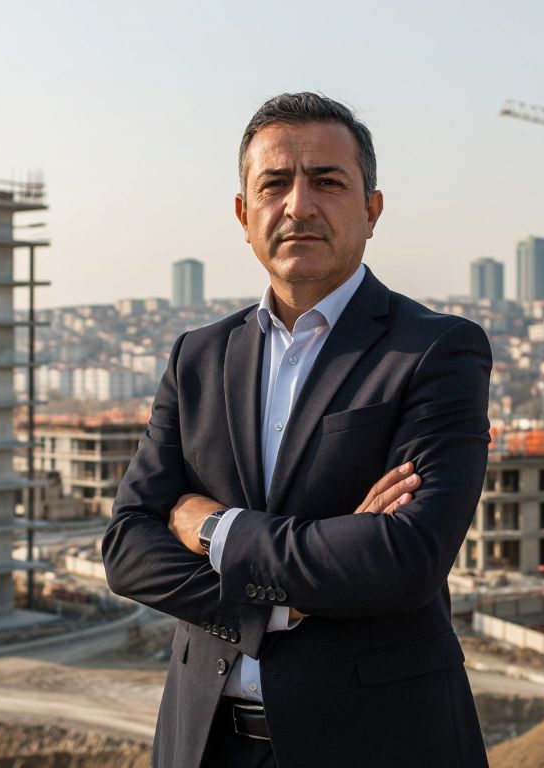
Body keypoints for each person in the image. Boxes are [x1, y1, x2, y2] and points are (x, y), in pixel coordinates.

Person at [102, 92, 492, 768]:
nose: (298, 205)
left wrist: (215, 528)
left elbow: (405, 558)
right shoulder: (198, 357)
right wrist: (277, 606)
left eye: (327, 182)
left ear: (371, 209)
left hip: (379, 744)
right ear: (242, 214)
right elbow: (127, 546)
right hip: (205, 745)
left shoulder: (436, 351)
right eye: (274, 183)